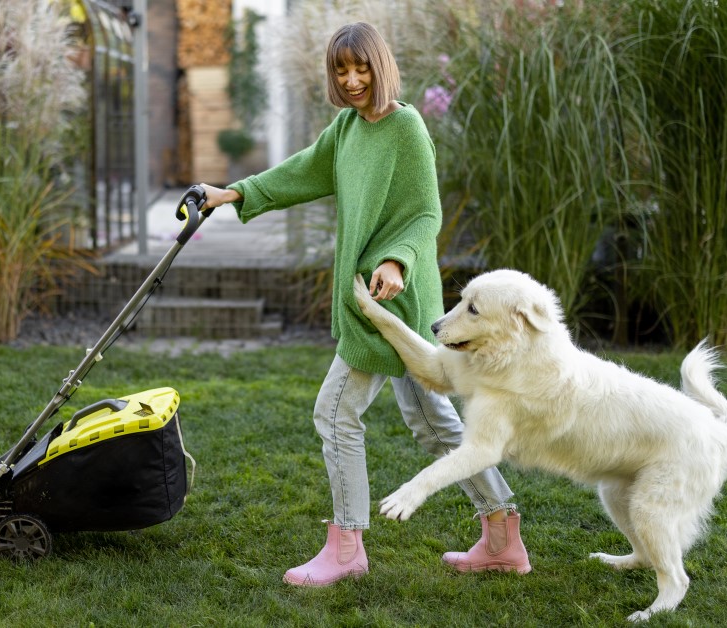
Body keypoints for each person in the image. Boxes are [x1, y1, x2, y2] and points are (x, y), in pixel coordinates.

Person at [199, 21, 531, 587]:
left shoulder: (406, 128)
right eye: (342, 70)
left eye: (362, 68)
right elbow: (301, 170)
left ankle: (348, 546)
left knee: (335, 413)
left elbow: (426, 213)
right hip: (372, 301)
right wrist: (233, 193)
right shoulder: (346, 129)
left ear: (380, 68)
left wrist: (397, 261)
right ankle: (503, 538)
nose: (352, 80)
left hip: (393, 301)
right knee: (433, 423)